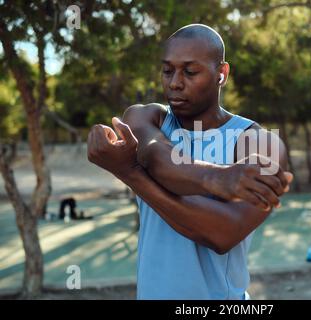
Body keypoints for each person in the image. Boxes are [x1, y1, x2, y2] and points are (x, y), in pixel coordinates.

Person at [87, 24, 293, 299]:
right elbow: (154, 156)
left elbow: (222, 234)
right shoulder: (144, 118)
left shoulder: (260, 143)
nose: (174, 83)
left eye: (190, 71)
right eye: (167, 70)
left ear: (222, 74)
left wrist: (130, 173)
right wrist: (221, 178)